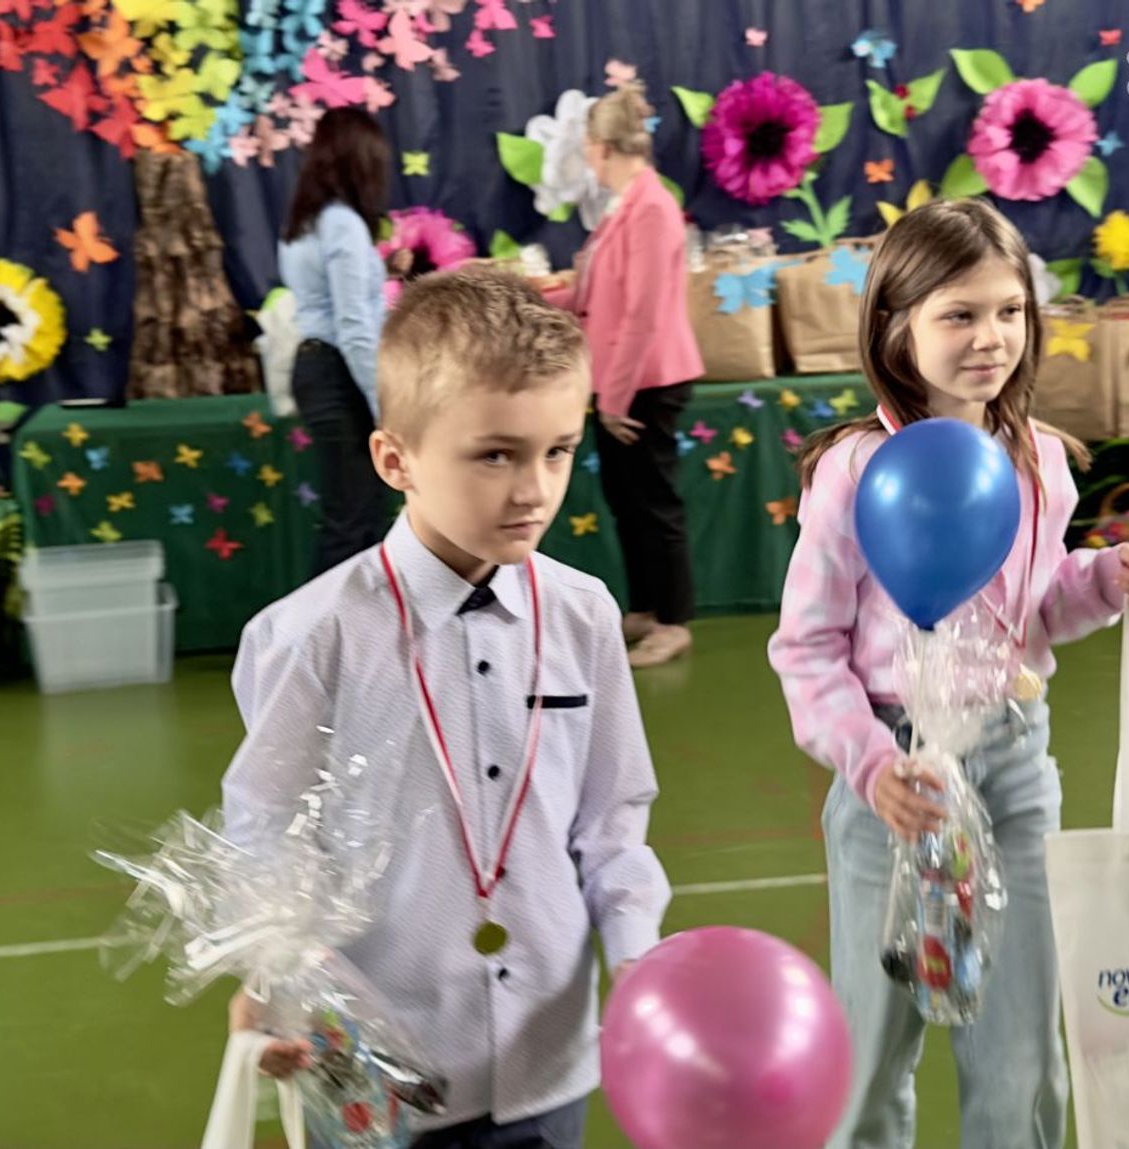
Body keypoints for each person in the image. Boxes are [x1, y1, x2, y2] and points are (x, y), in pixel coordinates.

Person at [222, 267, 671, 1148]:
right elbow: (266, 837)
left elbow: (612, 822)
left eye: (557, 451)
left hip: (546, 1058)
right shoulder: (309, 638)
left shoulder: (583, 615)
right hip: (376, 1066)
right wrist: (278, 980)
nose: (534, 489)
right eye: (495, 454)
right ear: (395, 459)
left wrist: (636, 953)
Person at [768, 198, 1129, 1149]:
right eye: (959, 314)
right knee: (872, 1048)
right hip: (895, 780)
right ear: (894, 326)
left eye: (1010, 311)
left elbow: (1036, 610)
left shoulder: (1041, 463)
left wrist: (1104, 582)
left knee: (1024, 1052)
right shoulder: (855, 470)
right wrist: (870, 765)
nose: (991, 337)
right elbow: (807, 646)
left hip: (1014, 764)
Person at [542, 86, 704, 669]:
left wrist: (614, 398)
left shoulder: (652, 207)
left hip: (645, 381)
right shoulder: (624, 206)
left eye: (586, 145)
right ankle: (646, 605)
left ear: (601, 146)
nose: (585, 155)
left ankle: (673, 620)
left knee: (653, 502)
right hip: (618, 378)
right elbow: (597, 298)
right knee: (626, 500)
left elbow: (642, 314)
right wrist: (536, 295)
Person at [278, 106, 397, 573]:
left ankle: (356, 619)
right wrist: (384, 403)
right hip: (338, 374)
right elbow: (353, 325)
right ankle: (330, 621)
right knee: (354, 520)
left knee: (354, 515)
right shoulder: (342, 223)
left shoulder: (304, 221)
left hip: (319, 368)